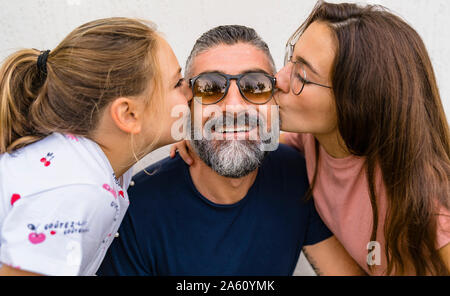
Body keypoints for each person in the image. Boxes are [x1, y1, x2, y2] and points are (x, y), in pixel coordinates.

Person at [173, 1, 450, 275]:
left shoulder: (433, 209)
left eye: (301, 75)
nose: (278, 79)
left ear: (354, 102)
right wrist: (202, 135)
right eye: (290, 60)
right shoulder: (308, 143)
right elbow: (244, 144)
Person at [97, 25, 364, 276]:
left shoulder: (295, 174)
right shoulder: (134, 210)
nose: (234, 108)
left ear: (276, 99)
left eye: (256, 86)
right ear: (188, 103)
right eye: (210, 88)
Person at [0, 17, 192, 275]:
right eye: (177, 83)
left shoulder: (97, 162)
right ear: (127, 114)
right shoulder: (79, 190)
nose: (191, 92)